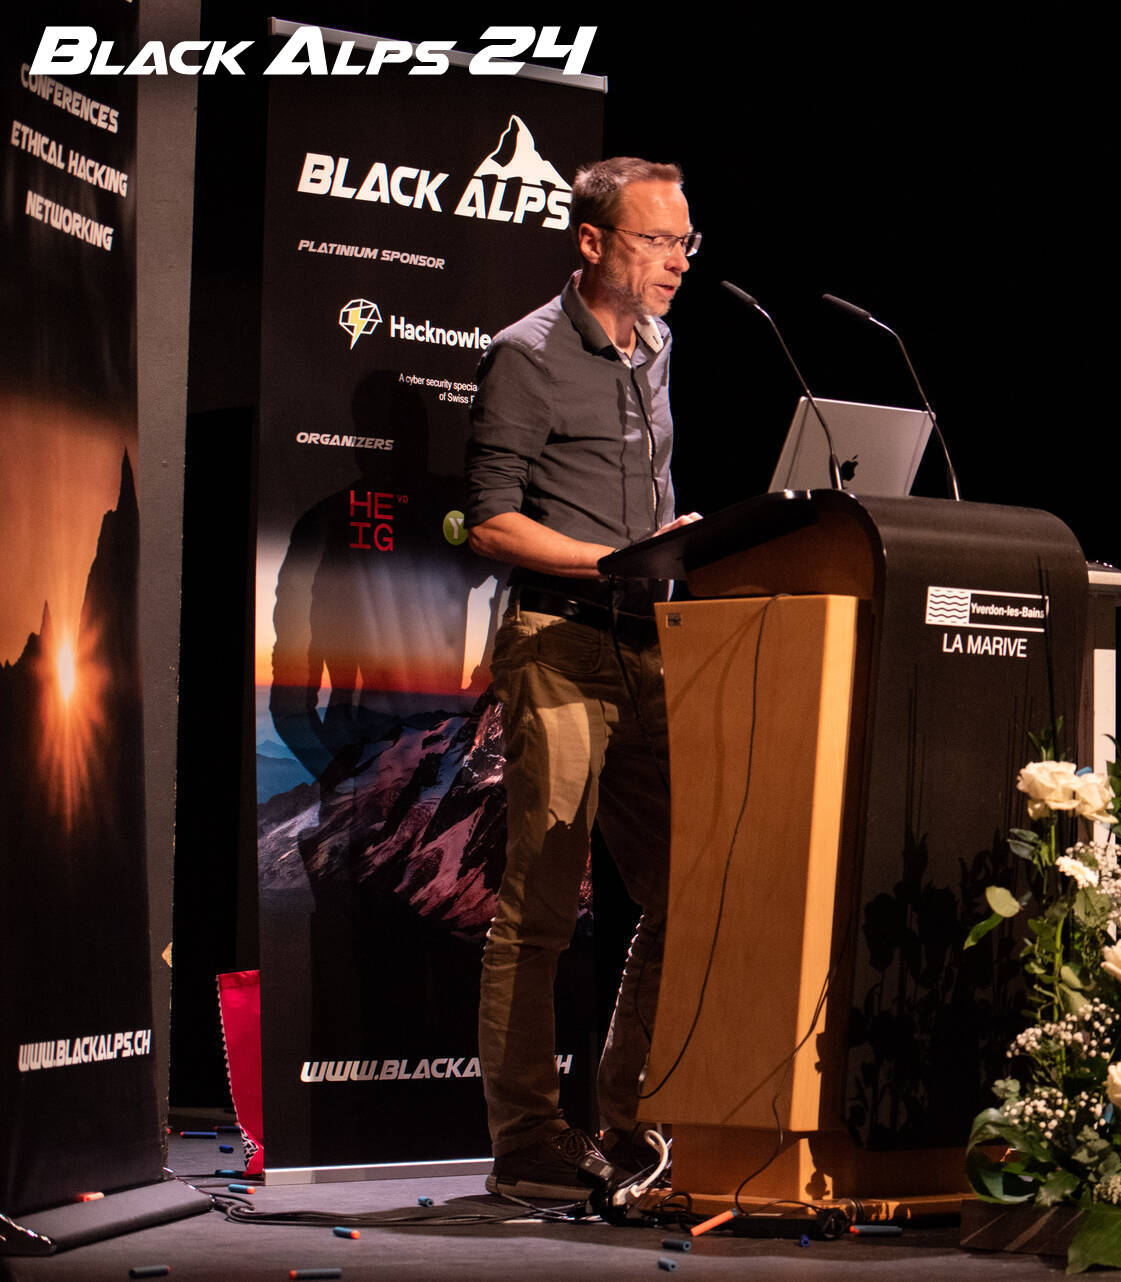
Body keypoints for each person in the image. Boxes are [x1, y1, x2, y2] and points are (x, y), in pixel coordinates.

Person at [464, 156, 700, 1199]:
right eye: (656, 241)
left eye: (686, 242)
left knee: (689, 886)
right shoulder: (526, 354)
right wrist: (609, 560)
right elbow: (489, 520)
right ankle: (525, 1140)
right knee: (545, 903)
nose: (677, 262)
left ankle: (633, 1118)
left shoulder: (658, 349)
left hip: (649, 645)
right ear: (593, 241)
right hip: (559, 641)